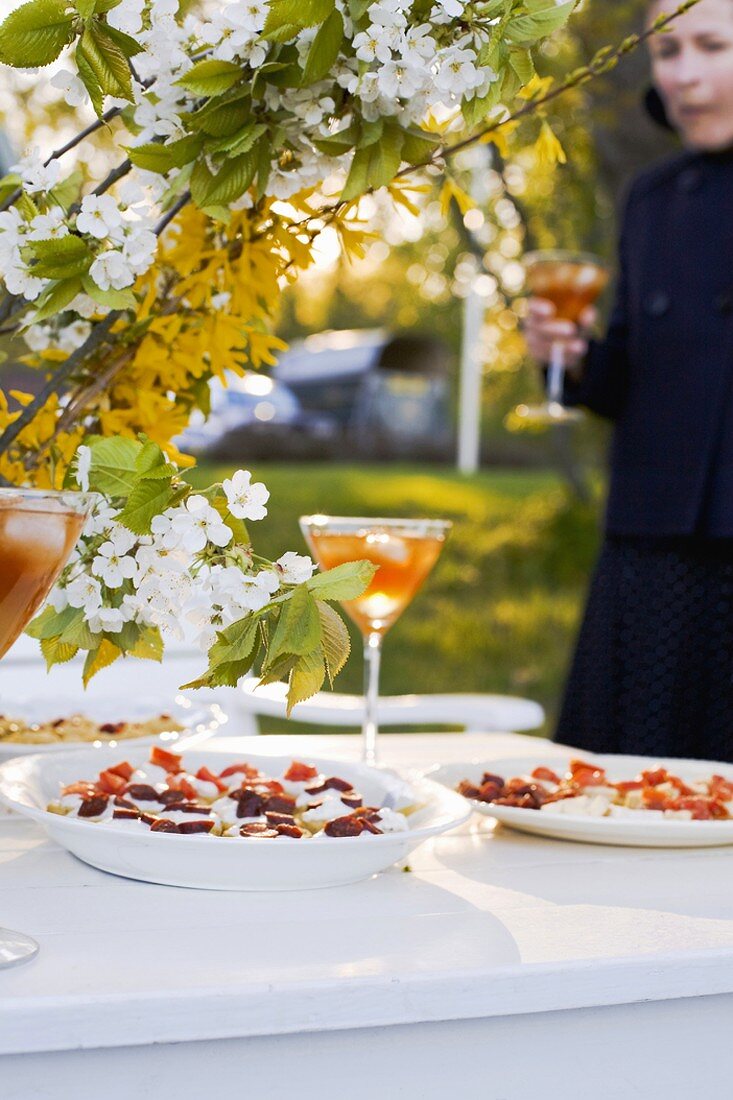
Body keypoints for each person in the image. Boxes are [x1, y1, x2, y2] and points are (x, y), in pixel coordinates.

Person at [523, 0, 733, 761]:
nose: (685, 73)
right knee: (626, 780)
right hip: (649, 545)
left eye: (711, 46)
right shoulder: (648, 197)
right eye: (668, 50)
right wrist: (570, 356)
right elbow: (627, 377)